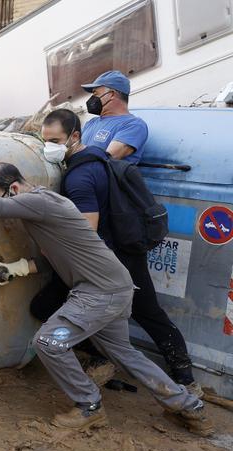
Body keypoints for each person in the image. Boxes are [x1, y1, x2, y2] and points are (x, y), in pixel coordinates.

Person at [0, 158, 212, 435]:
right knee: (125, 353)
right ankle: (189, 407)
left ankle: (89, 406)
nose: (6, 207)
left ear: (15, 189)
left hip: (100, 292)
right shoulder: (48, 205)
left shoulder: (38, 202)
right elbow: (62, 255)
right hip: (114, 287)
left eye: (3, 198)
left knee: (49, 343)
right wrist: (19, 268)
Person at [32, 109, 200, 394]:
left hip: (108, 260)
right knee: (148, 314)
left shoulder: (79, 177)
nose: (50, 147)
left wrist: (50, 249)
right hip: (124, 250)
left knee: (46, 306)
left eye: (56, 140)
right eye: (45, 141)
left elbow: (85, 230)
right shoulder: (99, 160)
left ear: (75, 136)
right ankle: (182, 379)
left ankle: (181, 382)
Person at [80, 70, 149, 163]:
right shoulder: (91, 122)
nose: (92, 99)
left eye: (95, 94)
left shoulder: (133, 125)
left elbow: (107, 159)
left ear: (111, 94)